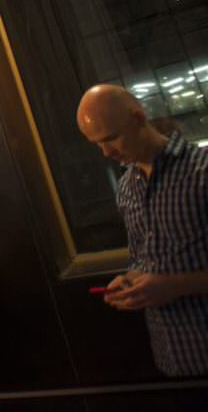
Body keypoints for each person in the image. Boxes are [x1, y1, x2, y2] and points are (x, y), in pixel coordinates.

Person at [77, 83, 208, 376]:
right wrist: (130, 281)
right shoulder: (126, 186)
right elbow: (142, 259)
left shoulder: (202, 170)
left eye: (111, 138)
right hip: (170, 359)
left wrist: (174, 286)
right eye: (96, 143)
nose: (105, 152)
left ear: (138, 116)